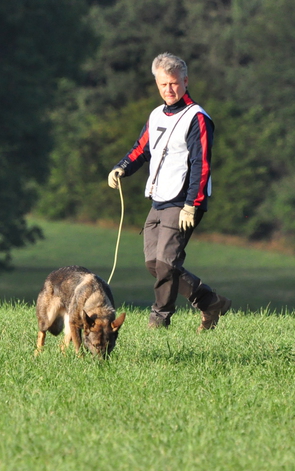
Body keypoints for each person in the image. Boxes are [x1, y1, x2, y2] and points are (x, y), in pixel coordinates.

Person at [107, 52, 231, 331]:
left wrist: (192, 204)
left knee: (166, 263)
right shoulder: (156, 115)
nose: (169, 89)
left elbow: (202, 164)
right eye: (163, 84)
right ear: (157, 84)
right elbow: (141, 149)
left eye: (174, 83)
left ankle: (159, 320)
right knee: (154, 263)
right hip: (158, 199)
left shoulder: (197, 117)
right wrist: (121, 168)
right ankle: (211, 302)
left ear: (185, 81)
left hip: (184, 201)